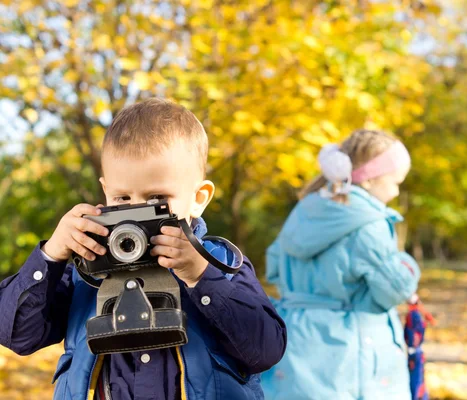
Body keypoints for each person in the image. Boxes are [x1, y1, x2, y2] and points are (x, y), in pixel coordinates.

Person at [0, 98, 287, 400]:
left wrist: (201, 277)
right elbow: (17, 335)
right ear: (105, 191)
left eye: (156, 200)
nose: (136, 213)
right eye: (122, 198)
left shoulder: (221, 264)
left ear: (198, 198)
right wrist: (51, 255)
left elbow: (266, 350)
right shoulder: (86, 273)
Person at [262, 128, 420, 400]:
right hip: (350, 348)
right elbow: (394, 289)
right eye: (395, 182)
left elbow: (274, 267)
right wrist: (407, 265)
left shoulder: (304, 211)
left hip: (296, 339)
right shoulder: (369, 223)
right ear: (369, 180)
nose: (396, 192)